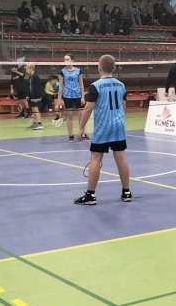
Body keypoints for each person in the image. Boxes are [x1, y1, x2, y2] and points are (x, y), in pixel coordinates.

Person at [73, 54, 132, 205]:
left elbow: (88, 109)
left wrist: (81, 128)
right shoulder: (121, 85)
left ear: (99, 67)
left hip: (103, 127)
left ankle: (90, 195)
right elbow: (124, 107)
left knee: (95, 158)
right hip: (118, 126)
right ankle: (126, 192)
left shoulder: (96, 86)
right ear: (114, 68)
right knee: (121, 158)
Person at [56, 53, 86, 142]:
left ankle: (82, 134)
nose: (66, 61)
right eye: (65, 59)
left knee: (81, 116)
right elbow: (60, 86)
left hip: (78, 95)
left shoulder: (78, 71)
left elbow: (81, 84)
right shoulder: (62, 72)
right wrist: (59, 99)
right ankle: (71, 135)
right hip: (67, 95)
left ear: (72, 60)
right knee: (69, 116)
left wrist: (83, 96)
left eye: (68, 59)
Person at [24, 64, 45, 130]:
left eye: (27, 69)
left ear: (31, 69)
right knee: (33, 109)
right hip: (32, 96)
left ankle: (39, 123)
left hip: (36, 96)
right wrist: (28, 95)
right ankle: (35, 122)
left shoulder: (36, 77)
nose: (26, 71)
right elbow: (30, 88)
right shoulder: (30, 77)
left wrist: (35, 97)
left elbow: (37, 88)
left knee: (35, 109)